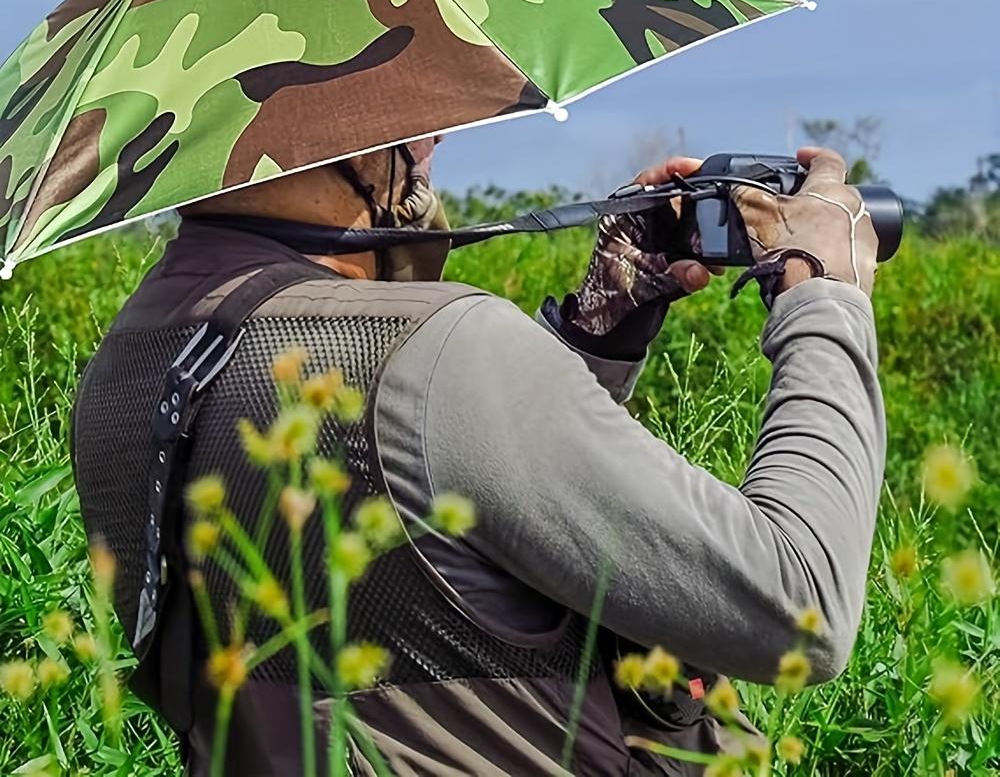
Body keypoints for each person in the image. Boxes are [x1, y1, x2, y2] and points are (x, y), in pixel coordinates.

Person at [70, 140, 884, 776]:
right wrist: (826, 296)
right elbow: (798, 609)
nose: (433, 147)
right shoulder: (437, 349)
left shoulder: (127, 367)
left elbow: (439, 553)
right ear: (338, 130)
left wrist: (593, 341)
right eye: (412, 122)